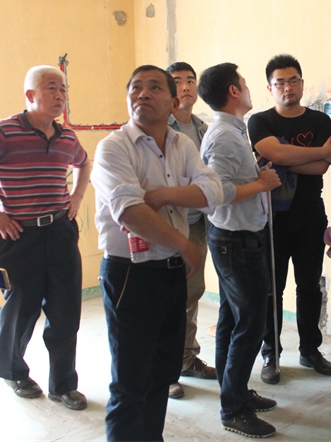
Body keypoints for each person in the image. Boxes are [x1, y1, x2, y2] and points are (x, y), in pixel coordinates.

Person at [91, 65, 222, 441]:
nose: (143, 94)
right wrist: (183, 243)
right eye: (135, 88)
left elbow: (213, 190)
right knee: (130, 381)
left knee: (163, 373)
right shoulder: (114, 147)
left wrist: (163, 196)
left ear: (173, 102)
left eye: (153, 87)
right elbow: (130, 212)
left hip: (172, 273)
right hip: (130, 273)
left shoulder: (182, 145)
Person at [0, 65, 89, 411]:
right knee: (21, 311)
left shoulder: (67, 136)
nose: (60, 95)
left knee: (66, 312)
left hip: (60, 231)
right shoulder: (5, 132)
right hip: (18, 236)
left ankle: (63, 385)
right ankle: (13, 372)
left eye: (63, 89)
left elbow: (84, 163)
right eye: (51, 88)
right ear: (30, 95)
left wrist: (77, 196)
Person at [197, 62, 282, 438]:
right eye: (244, 83)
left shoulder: (232, 130)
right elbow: (218, 192)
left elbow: (230, 180)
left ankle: (234, 392)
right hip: (237, 241)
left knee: (233, 320)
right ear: (233, 91)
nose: (249, 88)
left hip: (236, 238)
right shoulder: (225, 136)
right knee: (250, 323)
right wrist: (262, 184)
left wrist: (256, 176)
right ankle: (233, 409)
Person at [247, 54, 331, 385]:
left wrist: (284, 159)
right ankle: (270, 354)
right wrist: (318, 152)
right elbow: (277, 155)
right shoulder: (259, 121)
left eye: (293, 80)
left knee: (309, 285)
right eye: (280, 82)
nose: (288, 87)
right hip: (271, 217)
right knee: (272, 288)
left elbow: (320, 168)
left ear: (302, 83)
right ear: (270, 88)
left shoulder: (319, 121)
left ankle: (310, 350)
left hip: (310, 214)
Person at [165, 61, 215, 401]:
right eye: (177, 81)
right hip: (169, 224)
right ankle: (166, 370)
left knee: (192, 292)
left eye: (190, 81)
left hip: (198, 222)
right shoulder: (161, 127)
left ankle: (185, 358)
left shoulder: (202, 127)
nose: (185, 86)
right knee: (168, 299)